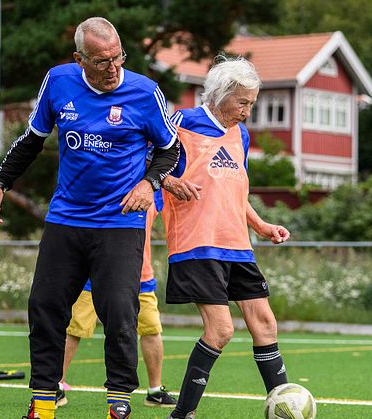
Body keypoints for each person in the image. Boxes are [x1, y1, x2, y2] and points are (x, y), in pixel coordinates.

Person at [0, 17, 196, 419]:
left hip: (120, 223)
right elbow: (31, 141)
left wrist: (150, 183)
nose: (113, 68)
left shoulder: (145, 93)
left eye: (118, 57)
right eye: (101, 61)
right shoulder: (59, 82)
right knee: (44, 305)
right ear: (79, 59)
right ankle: (44, 400)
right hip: (66, 218)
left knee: (118, 312)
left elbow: (172, 150)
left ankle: (118, 400)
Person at [161, 56, 291, 419]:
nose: (247, 111)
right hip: (197, 243)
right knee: (220, 330)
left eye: (252, 103)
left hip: (238, 246)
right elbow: (144, 163)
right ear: (220, 94)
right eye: (243, 102)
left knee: (265, 323)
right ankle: (181, 414)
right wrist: (169, 181)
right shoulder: (181, 123)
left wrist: (261, 225)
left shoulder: (241, 135)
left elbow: (236, 193)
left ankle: (284, 407)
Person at [57, 190, 177, 409]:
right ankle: (56, 385)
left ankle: (155, 391)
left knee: (151, 330)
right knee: (75, 329)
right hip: (95, 272)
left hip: (140, 275)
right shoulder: (109, 184)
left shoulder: (154, 192)